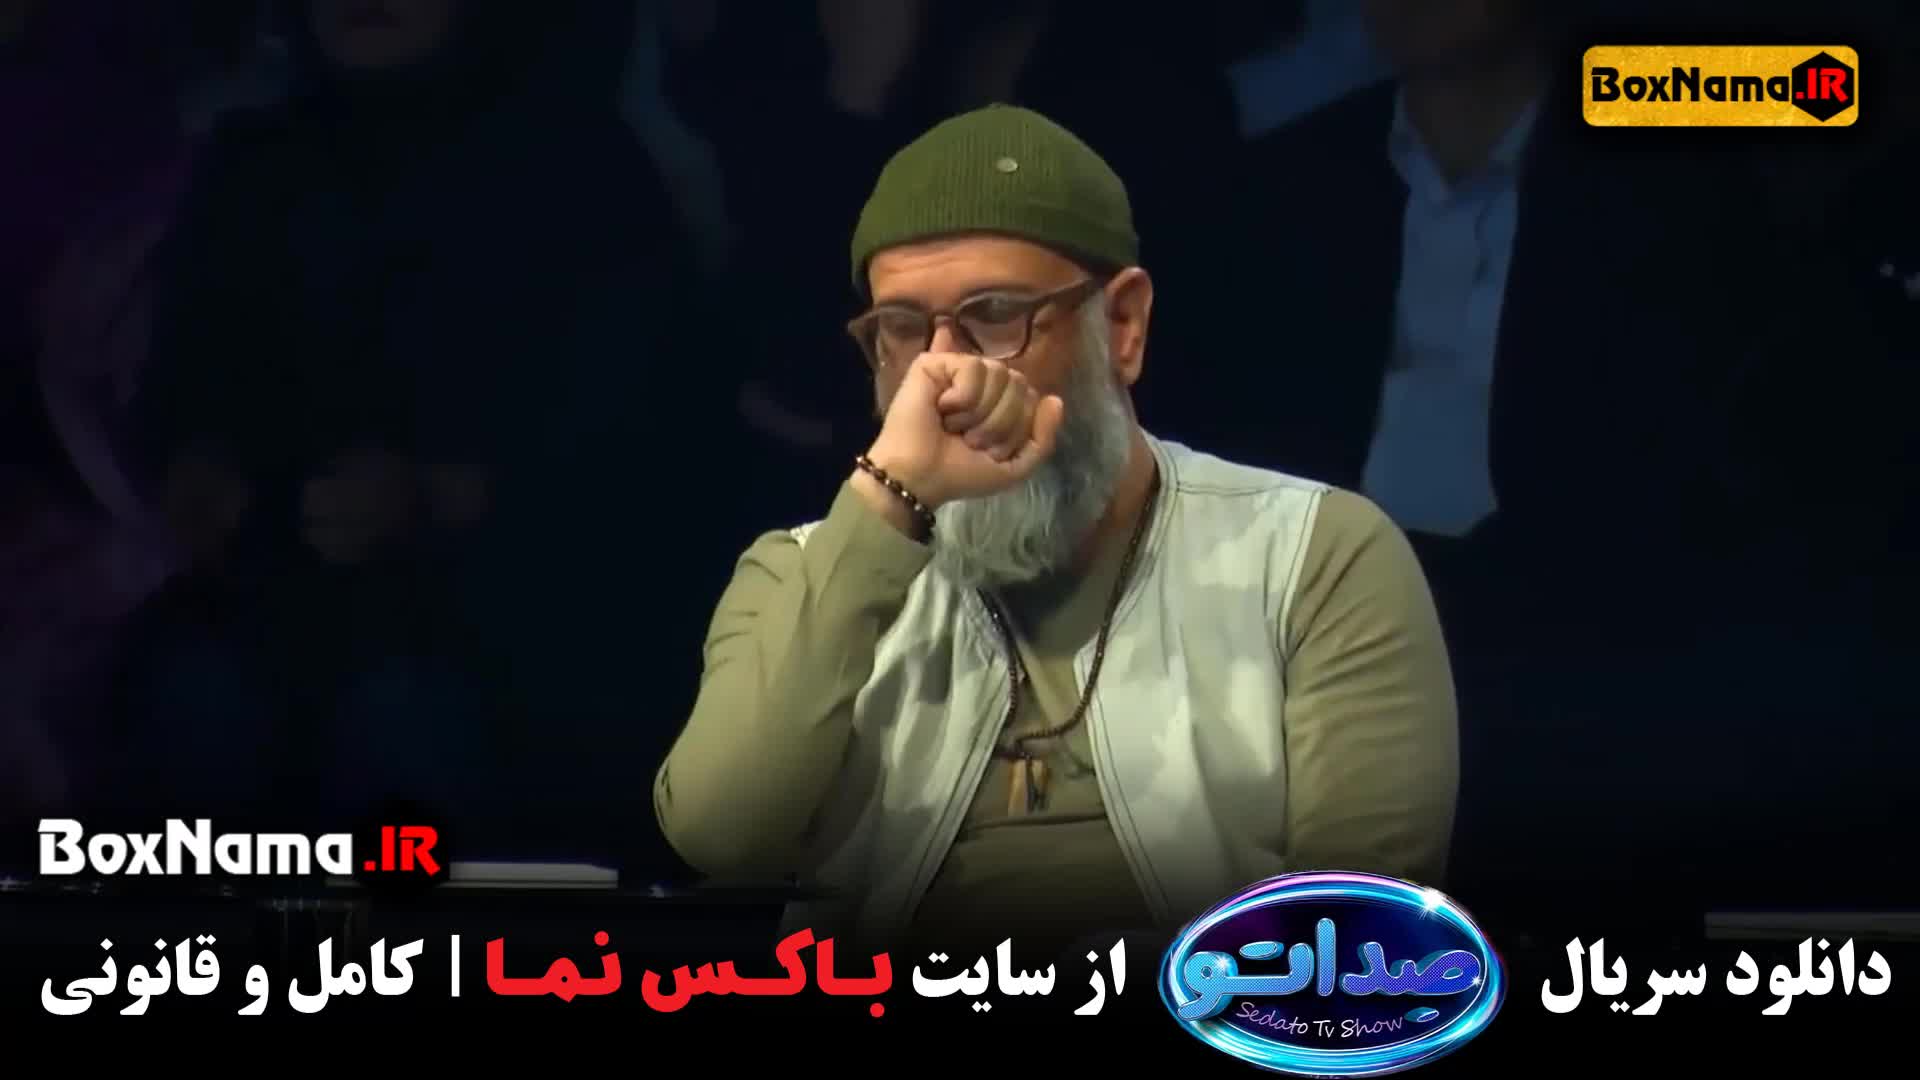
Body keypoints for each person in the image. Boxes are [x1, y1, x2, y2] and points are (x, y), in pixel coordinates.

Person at [653, 105, 1458, 955]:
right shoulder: (803, 571)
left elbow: (1353, 943)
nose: (942, 374)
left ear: (1123, 326)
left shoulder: (1312, 556)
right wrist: (888, 502)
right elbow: (721, 842)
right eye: (902, 330)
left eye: (996, 314)